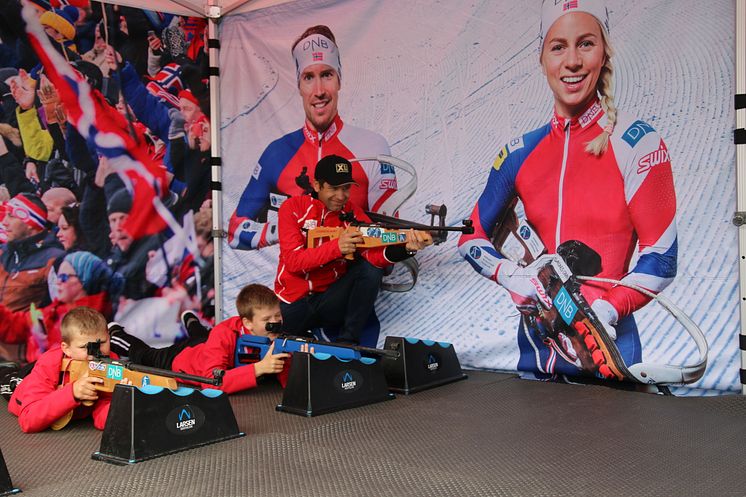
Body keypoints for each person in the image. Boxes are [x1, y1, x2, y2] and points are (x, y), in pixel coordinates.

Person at [458, 0, 677, 379]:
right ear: (542, 58)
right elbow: (468, 236)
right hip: (536, 359)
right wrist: (511, 275)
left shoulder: (635, 141)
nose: (572, 61)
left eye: (586, 44)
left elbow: (662, 257)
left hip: (608, 354)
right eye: (558, 46)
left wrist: (607, 311)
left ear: (604, 52)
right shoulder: (519, 153)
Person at [228, 25, 398, 250]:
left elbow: (388, 239)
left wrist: (343, 237)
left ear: (339, 80)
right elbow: (235, 232)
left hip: (352, 280)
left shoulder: (373, 147)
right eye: (309, 77)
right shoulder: (276, 154)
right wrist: (285, 228)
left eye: (327, 75)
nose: (319, 90)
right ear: (299, 86)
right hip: (295, 281)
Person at [276, 155, 432, 345]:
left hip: (330, 303)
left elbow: (374, 257)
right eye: (334, 188)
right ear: (317, 185)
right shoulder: (292, 208)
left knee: (370, 269)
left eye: (346, 188)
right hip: (292, 305)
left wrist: (406, 248)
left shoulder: (354, 214)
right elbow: (293, 262)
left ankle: (347, 343)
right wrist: (337, 247)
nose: (341, 196)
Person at [109, 283, 291, 393]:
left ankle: (191, 321)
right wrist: (259, 368)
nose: (275, 323)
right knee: (145, 356)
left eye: (278, 316)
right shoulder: (225, 334)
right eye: (267, 320)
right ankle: (117, 334)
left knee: (204, 336)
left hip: (207, 344)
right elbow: (211, 383)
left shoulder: (272, 334)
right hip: (183, 360)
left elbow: (289, 381)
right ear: (248, 323)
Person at [0, 251, 123, 363]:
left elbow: (66, 365)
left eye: (64, 277)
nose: (58, 281)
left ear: (84, 280)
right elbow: (15, 325)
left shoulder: (90, 318)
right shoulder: (59, 309)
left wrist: (41, 346)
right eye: (58, 276)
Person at [8, 306, 116, 433]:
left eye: (102, 343)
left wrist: (124, 406)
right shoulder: (50, 363)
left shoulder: (112, 361)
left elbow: (102, 410)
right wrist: (73, 392)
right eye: (84, 347)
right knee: (9, 379)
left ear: (109, 338)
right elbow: (28, 420)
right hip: (23, 389)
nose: (95, 354)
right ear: (66, 348)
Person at [0, 193, 64, 312]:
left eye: (11, 216)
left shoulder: (54, 259)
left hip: (25, 329)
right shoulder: (3, 251)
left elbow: (61, 309)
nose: (4, 222)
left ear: (31, 223)